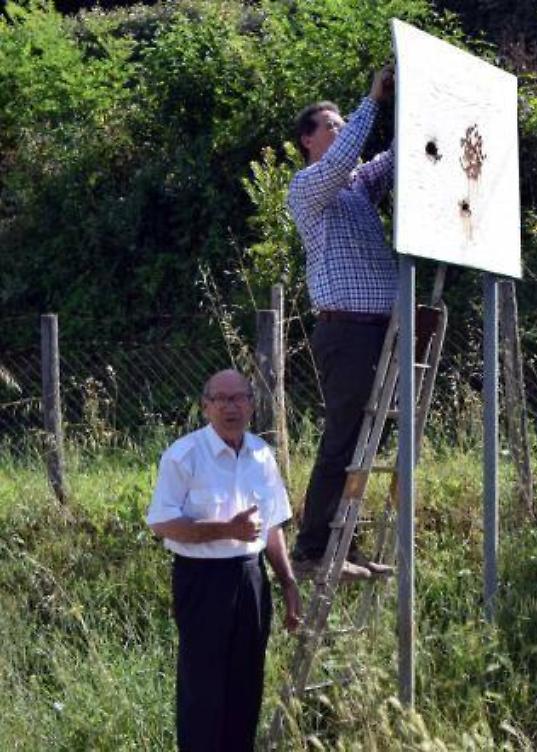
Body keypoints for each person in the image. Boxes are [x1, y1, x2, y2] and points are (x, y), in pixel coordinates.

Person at [146, 369, 301, 752]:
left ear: (251, 404)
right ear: (206, 407)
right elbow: (162, 524)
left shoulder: (262, 455)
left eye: (239, 398)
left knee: (247, 683)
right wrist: (224, 530)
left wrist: (288, 584)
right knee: (203, 687)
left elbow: (272, 527)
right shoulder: (183, 456)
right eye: (221, 399)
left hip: (251, 577)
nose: (231, 407)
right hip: (201, 580)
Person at [286, 66, 398, 581]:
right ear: (308, 141)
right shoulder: (309, 186)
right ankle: (310, 552)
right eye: (330, 125)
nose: (340, 128)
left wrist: (412, 106)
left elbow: (393, 160)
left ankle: (343, 549)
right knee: (343, 439)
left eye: (342, 123)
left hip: (379, 330)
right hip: (346, 330)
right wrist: (370, 102)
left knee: (364, 444)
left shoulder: (354, 189)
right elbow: (346, 158)